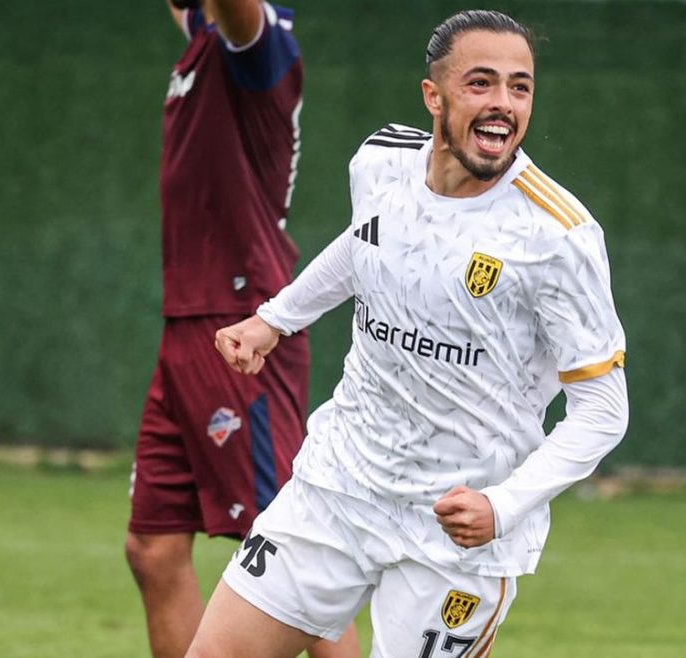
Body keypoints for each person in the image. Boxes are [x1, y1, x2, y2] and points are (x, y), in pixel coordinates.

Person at [191, 9, 629, 658]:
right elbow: (365, 240)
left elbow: (603, 410)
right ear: (434, 95)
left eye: (520, 87)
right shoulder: (381, 162)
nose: (504, 103)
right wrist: (275, 318)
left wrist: (504, 506)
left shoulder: (559, 235)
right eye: (480, 82)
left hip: (456, 529)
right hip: (338, 487)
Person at [124, 1, 359, 657]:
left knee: (292, 551)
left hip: (241, 326)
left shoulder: (258, 41)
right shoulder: (204, 37)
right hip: (187, 327)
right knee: (153, 546)